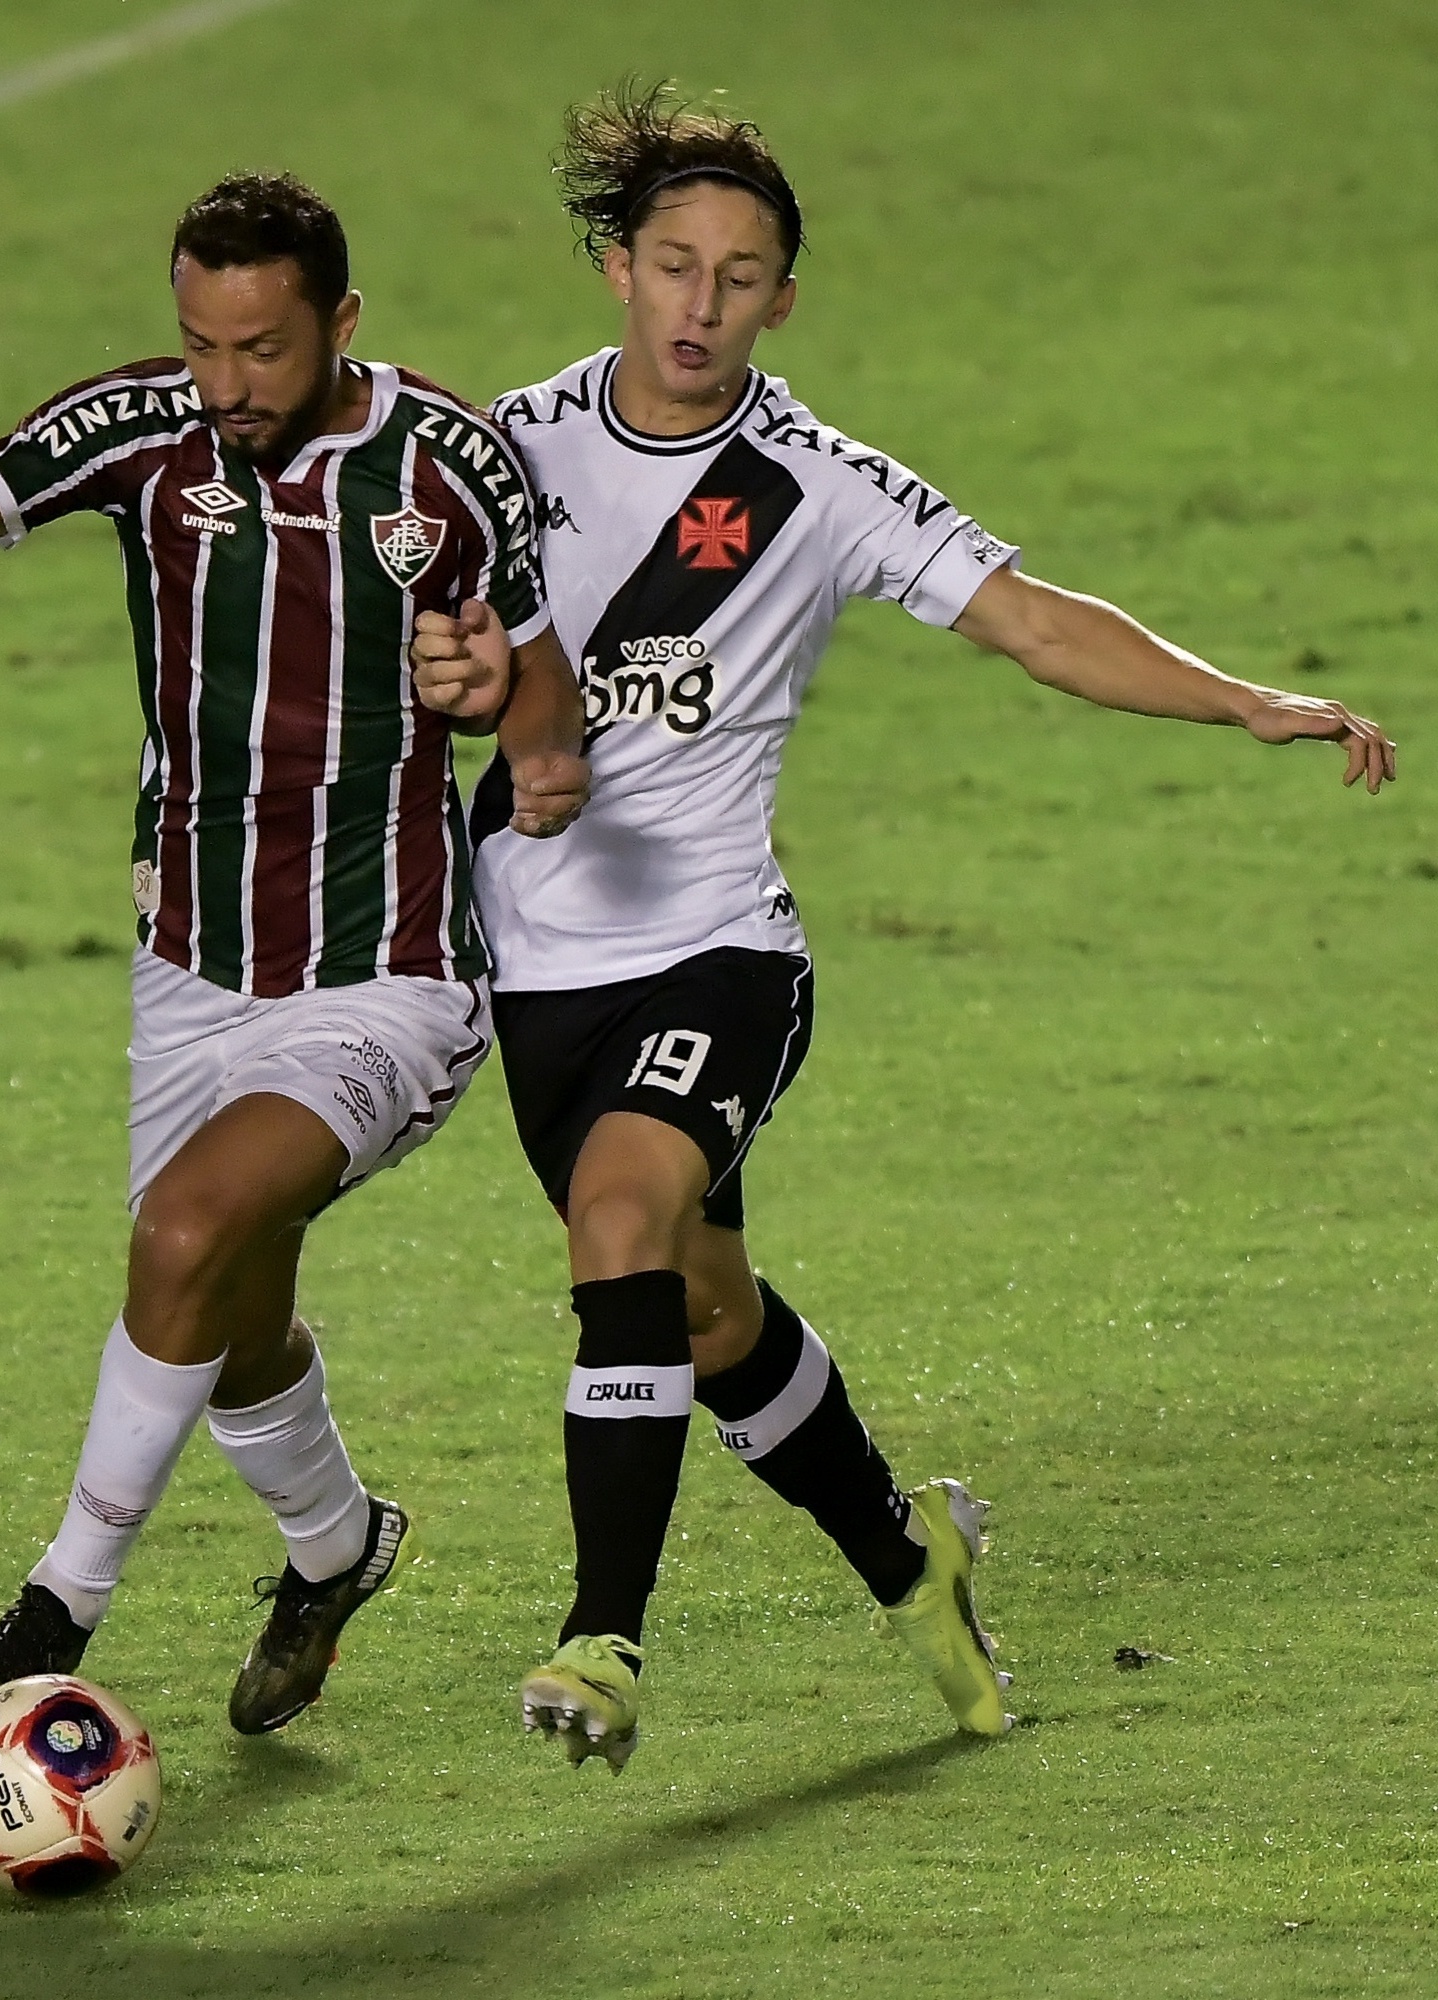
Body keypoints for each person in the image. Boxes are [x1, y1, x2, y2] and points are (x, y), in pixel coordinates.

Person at [411, 84, 1395, 1771]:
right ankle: (907, 1556)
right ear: (612, 269)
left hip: (721, 954)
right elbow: (413, 663)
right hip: (538, 974)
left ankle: (604, 1639)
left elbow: (1030, 621)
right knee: (705, 1314)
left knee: (620, 1220)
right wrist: (456, 700)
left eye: (739, 277)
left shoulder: (810, 482)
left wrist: (1243, 702)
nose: (701, 307)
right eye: (671, 266)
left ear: (782, 297)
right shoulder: (497, 456)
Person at [0, 173, 588, 1734]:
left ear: (341, 322)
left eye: (261, 350)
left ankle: (59, 1601)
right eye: (200, 344)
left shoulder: (449, 466)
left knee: (186, 1232)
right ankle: (336, 1549)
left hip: (380, 969)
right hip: (188, 966)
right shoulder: (145, 431)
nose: (226, 385)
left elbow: (543, 701)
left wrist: (510, 729)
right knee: (230, 1311)